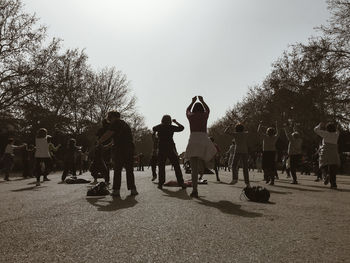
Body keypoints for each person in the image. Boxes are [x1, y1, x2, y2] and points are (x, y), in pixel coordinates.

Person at [98, 111, 138, 197]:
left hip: (120, 149)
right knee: (129, 170)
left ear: (113, 116)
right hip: (129, 148)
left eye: (109, 116)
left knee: (117, 169)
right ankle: (133, 189)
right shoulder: (124, 124)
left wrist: (99, 141)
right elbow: (116, 139)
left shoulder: (115, 123)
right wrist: (108, 146)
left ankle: (116, 190)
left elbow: (108, 134)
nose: (108, 117)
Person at [185, 96, 217, 198]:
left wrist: (192, 102)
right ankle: (206, 165)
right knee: (205, 157)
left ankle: (195, 190)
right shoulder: (204, 115)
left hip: (194, 138)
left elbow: (187, 110)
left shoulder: (191, 116)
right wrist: (203, 101)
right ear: (202, 109)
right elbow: (208, 109)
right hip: (203, 138)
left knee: (193, 169)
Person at [153, 115, 186, 190]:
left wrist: (156, 134)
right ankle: (181, 182)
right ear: (170, 120)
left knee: (161, 167)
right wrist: (175, 122)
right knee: (176, 165)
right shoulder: (171, 127)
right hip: (170, 148)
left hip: (161, 148)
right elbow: (182, 128)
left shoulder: (160, 127)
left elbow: (154, 128)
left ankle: (160, 183)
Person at [314, 122, 340, 189]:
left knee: (323, 165)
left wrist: (319, 125)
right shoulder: (336, 134)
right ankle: (333, 184)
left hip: (325, 151)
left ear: (327, 128)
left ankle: (325, 176)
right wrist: (337, 127)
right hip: (334, 152)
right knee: (333, 168)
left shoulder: (325, 134)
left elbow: (315, 130)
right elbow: (338, 130)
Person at [257, 121, 279, 185]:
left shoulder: (265, 137)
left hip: (266, 152)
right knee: (272, 167)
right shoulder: (275, 137)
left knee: (264, 167)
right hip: (272, 153)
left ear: (267, 132)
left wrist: (260, 124)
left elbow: (258, 131)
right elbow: (278, 132)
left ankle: (267, 177)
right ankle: (272, 180)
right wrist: (277, 125)